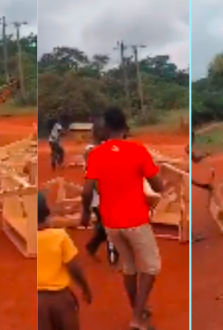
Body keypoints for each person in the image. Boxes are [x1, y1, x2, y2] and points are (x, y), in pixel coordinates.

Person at [81, 107, 164, 330]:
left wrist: (84, 213)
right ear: (125, 127)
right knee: (151, 268)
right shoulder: (137, 150)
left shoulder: (96, 154)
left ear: (106, 128)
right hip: (136, 220)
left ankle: (137, 308)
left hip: (111, 224)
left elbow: (87, 191)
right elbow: (158, 185)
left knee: (129, 267)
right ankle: (137, 317)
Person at [37, 192, 92, 330]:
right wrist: (85, 288)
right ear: (47, 212)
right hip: (60, 297)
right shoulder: (60, 236)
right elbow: (73, 266)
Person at [83, 119, 119, 265]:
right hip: (98, 196)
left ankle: (92, 246)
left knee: (106, 226)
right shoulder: (90, 150)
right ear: (99, 132)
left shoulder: (103, 147)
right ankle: (113, 258)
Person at [190, 131, 213, 243]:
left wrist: (205, 154)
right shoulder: (185, 150)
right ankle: (191, 235)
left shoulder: (188, 149)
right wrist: (202, 186)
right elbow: (186, 177)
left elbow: (195, 159)